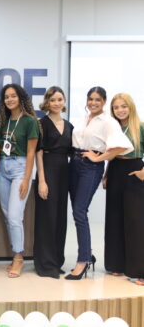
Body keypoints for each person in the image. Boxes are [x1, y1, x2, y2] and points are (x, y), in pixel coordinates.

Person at [66, 86, 133, 280]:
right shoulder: (84, 119)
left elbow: (122, 146)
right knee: (77, 211)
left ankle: (83, 260)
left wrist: (98, 158)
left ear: (104, 101)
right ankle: (87, 254)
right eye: (90, 99)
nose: (93, 103)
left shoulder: (109, 121)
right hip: (74, 165)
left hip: (89, 167)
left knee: (79, 211)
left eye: (97, 100)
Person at [0, 83, 39, 278]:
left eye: (13, 96)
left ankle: (18, 257)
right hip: (2, 168)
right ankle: (16, 252)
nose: (9, 99)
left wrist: (26, 178)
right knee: (7, 214)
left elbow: (31, 153)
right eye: (6, 97)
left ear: (21, 98)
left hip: (20, 169)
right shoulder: (4, 122)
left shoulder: (30, 121)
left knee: (14, 216)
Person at [33, 86, 73, 279]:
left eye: (60, 99)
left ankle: (57, 261)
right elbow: (38, 152)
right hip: (47, 170)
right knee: (46, 218)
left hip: (64, 172)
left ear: (64, 102)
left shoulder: (70, 125)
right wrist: (41, 180)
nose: (57, 103)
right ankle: (45, 264)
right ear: (47, 102)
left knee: (59, 219)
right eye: (53, 100)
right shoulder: (41, 124)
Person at [104, 93, 144, 285]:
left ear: (130, 107)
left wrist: (143, 172)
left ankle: (139, 271)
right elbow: (111, 154)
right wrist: (106, 175)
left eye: (123, 106)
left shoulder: (140, 126)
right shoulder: (114, 128)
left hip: (134, 171)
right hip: (115, 171)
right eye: (116, 107)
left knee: (135, 222)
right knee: (115, 218)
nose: (120, 110)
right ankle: (117, 265)